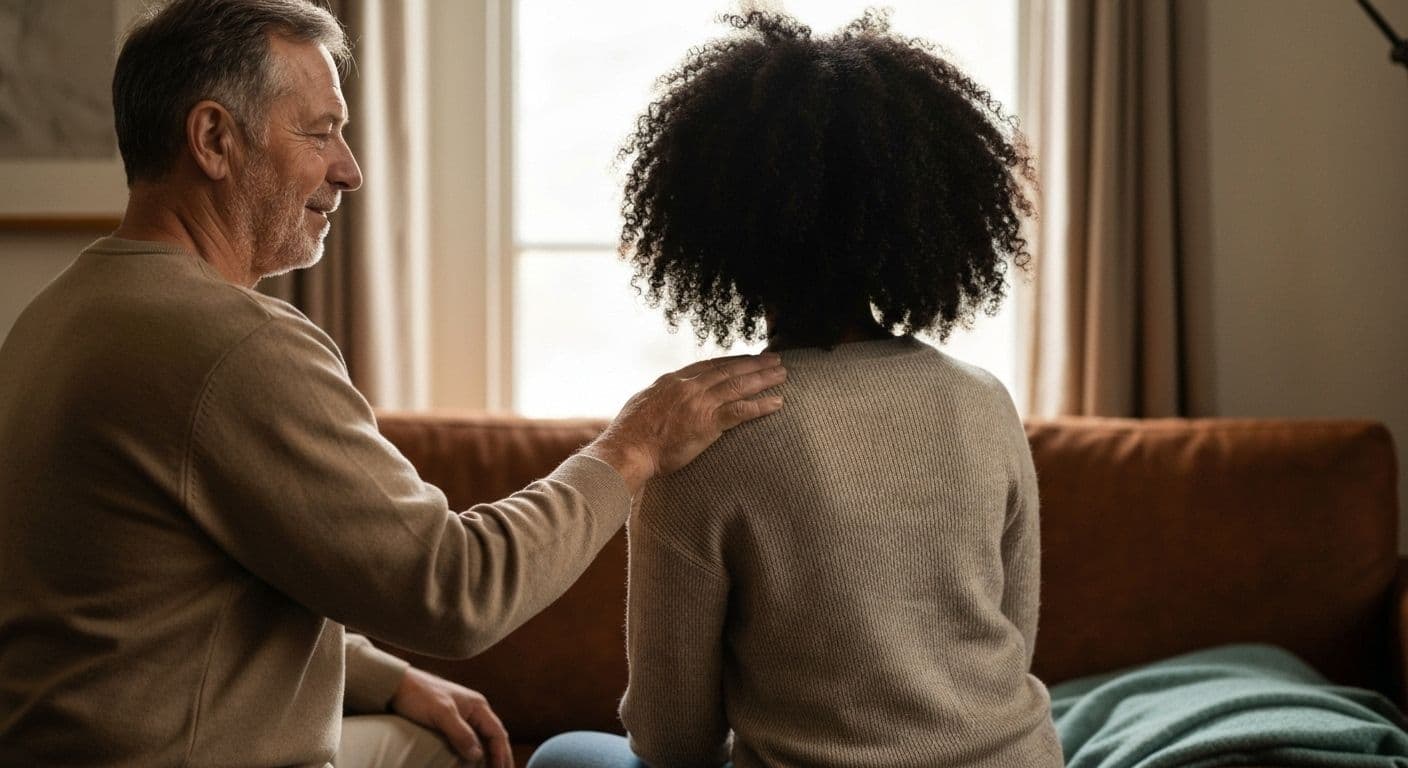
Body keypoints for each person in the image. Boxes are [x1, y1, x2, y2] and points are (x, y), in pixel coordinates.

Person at [0, 1, 786, 767]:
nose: (349, 170)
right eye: (320, 133)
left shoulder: (54, 316)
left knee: (441, 739)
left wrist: (389, 680)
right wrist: (634, 446)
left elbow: (160, 597)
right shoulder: (234, 345)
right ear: (214, 139)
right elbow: (457, 590)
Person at [528, 10, 1062, 768]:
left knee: (564, 755)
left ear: (707, 222)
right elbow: (1014, 643)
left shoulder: (702, 440)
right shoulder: (986, 401)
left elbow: (673, 741)